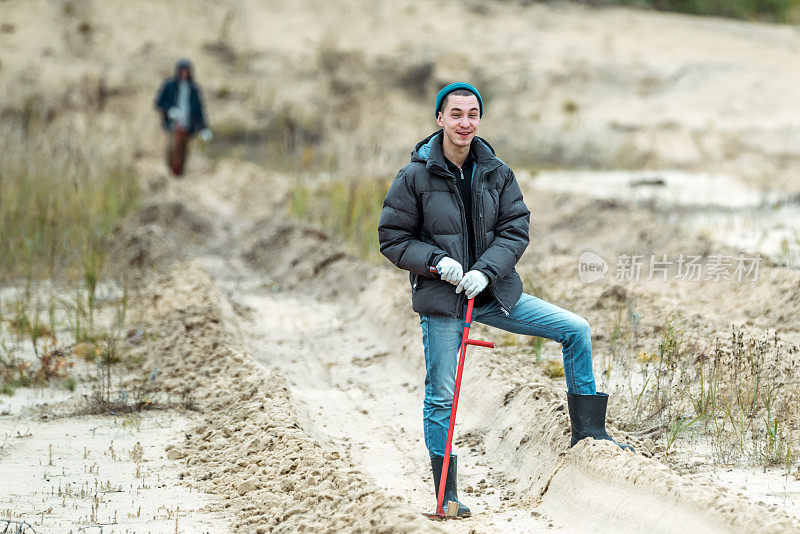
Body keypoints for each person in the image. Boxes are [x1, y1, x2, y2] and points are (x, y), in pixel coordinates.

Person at [378, 82, 632, 518]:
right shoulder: (414, 176)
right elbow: (393, 238)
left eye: (472, 114)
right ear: (439, 119)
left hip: (492, 291)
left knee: (575, 330)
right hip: (443, 299)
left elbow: (516, 229)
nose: (464, 123)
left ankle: (590, 436)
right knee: (441, 395)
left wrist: (484, 271)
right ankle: (446, 497)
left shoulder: (497, 171)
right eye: (455, 114)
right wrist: (438, 262)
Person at [154, 59, 211, 176]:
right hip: (172, 124)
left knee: (183, 151)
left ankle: (180, 174)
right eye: (182, 71)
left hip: (187, 126)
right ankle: (170, 172)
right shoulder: (169, 86)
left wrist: (204, 128)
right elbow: (159, 103)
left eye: (187, 71)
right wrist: (169, 110)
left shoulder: (194, 89)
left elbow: (199, 111)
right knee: (172, 148)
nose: (185, 74)